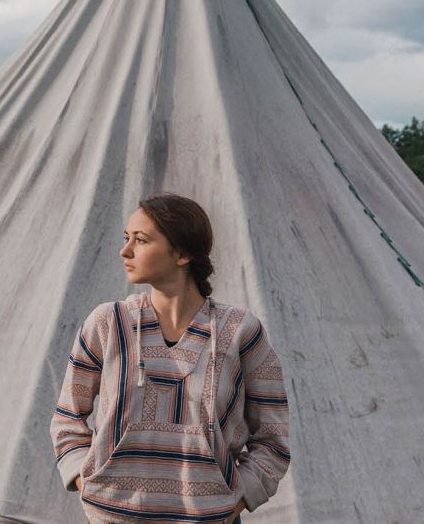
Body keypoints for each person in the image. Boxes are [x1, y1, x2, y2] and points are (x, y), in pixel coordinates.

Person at [50, 193, 292, 522]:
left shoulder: (240, 332)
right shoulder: (108, 324)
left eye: (141, 240)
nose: (125, 250)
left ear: (182, 253)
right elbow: (67, 419)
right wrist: (86, 482)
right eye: (126, 238)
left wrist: (236, 500)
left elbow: (273, 436)